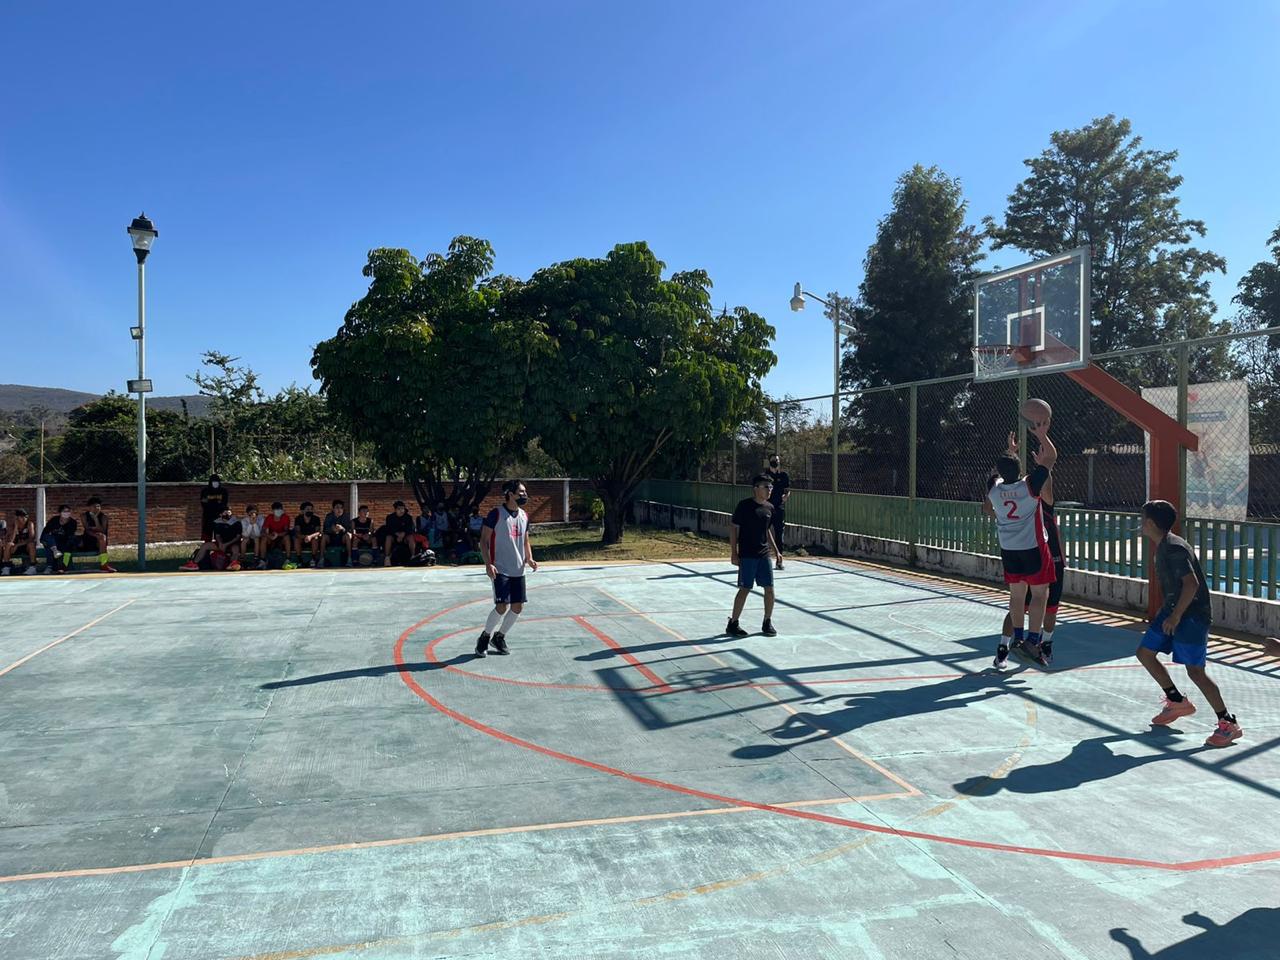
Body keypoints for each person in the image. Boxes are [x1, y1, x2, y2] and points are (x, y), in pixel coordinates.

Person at [1137, 499, 1241, 747]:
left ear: (1150, 523)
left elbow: (1191, 584)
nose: (1140, 524)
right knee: (1145, 653)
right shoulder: (1163, 546)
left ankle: (1228, 724)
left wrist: (1175, 617)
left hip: (1192, 615)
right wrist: (1170, 612)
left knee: (1195, 671)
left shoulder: (1174, 548)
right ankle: (1176, 701)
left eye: (1142, 519)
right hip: (1173, 610)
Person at [983, 421, 1057, 670]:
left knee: (1016, 596)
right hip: (1033, 547)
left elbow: (998, 471)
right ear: (1020, 469)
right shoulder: (1029, 486)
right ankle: (1033, 641)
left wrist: (1010, 452)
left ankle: (1017, 635)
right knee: (1039, 594)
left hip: (1009, 549)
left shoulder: (994, 488)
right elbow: (1051, 459)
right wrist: (1042, 435)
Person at [475, 479, 538, 657]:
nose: (525, 495)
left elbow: (525, 540)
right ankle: (485, 637)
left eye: (525, 492)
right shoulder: (496, 514)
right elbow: (484, 541)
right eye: (521, 492)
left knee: (517, 607)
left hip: (518, 569)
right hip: (501, 568)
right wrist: (488, 564)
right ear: (510, 494)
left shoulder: (524, 516)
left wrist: (530, 558)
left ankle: (499, 637)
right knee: (502, 606)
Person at [726, 475, 781, 637]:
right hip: (747, 554)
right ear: (756, 488)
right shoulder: (744, 506)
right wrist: (734, 553)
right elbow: (733, 529)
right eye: (766, 487)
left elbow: (768, 531)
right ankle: (733, 623)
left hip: (764, 555)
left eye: (771, 487)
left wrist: (776, 551)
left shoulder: (770, 508)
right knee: (745, 588)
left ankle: (767, 621)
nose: (770, 490)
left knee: (769, 589)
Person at [764, 454, 791, 571]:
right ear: (769, 461)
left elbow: (787, 490)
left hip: (779, 508)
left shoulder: (784, 475)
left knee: (779, 534)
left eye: (777, 460)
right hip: (766, 508)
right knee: (763, 532)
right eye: (773, 460)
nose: (776, 462)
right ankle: (761, 559)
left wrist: (786, 496)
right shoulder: (765, 476)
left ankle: (779, 560)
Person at [40, 505, 79, 574]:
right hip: (53, 542)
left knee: (70, 543)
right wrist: (44, 541)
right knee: (49, 541)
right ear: (60, 512)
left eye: (68, 511)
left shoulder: (73, 522)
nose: (66, 513)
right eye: (64, 511)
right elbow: (45, 532)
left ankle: (63, 566)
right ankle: (50, 566)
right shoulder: (54, 520)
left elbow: (69, 536)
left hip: (65, 542)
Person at [82, 496, 115, 573]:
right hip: (89, 538)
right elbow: (87, 529)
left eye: (98, 506)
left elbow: (102, 530)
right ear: (89, 507)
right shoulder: (84, 516)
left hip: (100, 539)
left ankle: (104, 564)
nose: (97, 508)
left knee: (102, 537)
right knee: (100, 537)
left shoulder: (104, 517)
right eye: (94, 506)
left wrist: (96, 519)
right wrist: (95, 532)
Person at [1, 508, 38, 574]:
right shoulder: (12, 525)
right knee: (9, 544)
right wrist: (15, 529)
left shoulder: (29, 524)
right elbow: (10, 540)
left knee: (31, 544)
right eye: (21, 517)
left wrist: (18, 545)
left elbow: (31, 538)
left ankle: (32, 567)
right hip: (14, 548)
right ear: (17, 518)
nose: (24, 519)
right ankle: (6, 568)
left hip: (25, 547)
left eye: (25, 517)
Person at [382, 500, 416, 567]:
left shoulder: (408, 517)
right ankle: (387, 558)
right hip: (394, 537)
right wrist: (397, 534)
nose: (401, 510)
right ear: (395, 510)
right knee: (388, 537)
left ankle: (413, 556)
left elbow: (411, 528)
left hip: (405, 537)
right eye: (399, 509)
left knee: (411, 537)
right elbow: (389, 528)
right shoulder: (390, 518)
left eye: (402, 509)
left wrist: (403, 534)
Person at [291, 501, 323, 568]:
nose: (310, 511)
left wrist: (310, 536)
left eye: (311, 509)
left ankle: (313, 559)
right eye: (308, 509)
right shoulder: (298, 519)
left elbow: (318, 532)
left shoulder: (316, 519)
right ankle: (299, 560)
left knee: (316, 538)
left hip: (312, 538)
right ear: (302, 511)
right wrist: (305, 537)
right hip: (302, 538)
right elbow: (297, 532)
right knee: (296, 539)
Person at [198, 474, 229, 543]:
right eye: (213, 481)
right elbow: (203, 503)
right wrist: (215, 505)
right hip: (208, 516)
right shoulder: (205, 491)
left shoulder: (223, 491)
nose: (215, 483)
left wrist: (219, 509)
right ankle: (207, 550)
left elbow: (224, 503)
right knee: (207, 536)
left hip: (219, 516)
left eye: (217, 481)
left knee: (219, 536)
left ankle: (218, 551)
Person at [261, 501, 292, 568]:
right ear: (273, 510)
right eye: (276, 509)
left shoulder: (285, 517)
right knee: (264, 539)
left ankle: (288, 559)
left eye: (280, 509)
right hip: (271, 537)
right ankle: (262, 560)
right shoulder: (269, 517)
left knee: (287, 538)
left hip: (281, 537)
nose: (279, 511)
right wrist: (269, 536)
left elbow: (286, 531)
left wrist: (278, 535)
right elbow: (263, 531)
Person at [322, 499, 352, 566]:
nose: (339, 510)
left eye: (341, 508)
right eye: (337, 507)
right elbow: (324, 529)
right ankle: (321, 559)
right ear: (333, 509)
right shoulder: (329, 516)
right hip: (331, 538)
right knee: (324, 536)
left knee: (348, 535)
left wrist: (342, 528)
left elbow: (350, 530)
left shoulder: (346, 516)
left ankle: (349, 559)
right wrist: (332, 529)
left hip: (342, 538)